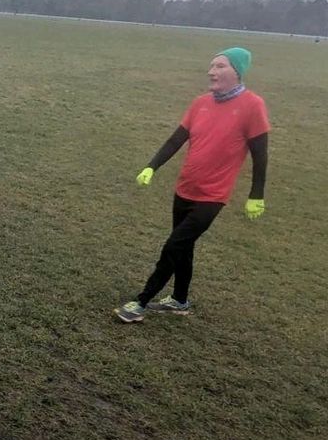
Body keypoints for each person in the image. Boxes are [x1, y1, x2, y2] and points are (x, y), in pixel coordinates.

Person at [115, 48, 269, 322]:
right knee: (184, 248)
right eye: (211, 66)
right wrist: (152, 166)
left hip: (212, 196)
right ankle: (179, 300)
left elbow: (260, 155)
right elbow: (176, 140)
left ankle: (141, 302)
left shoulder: (252, 105)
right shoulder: (200, 103)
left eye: (220, 66)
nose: (211, 71)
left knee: (173, 246)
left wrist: (256, 194)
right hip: (185, 189)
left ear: (237, 71)